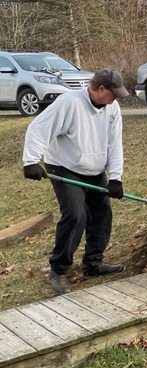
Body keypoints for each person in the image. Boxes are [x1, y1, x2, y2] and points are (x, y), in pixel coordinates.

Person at [22, 68, 129, 295]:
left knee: (101, 213)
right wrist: (31, 161)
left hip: (94, 169)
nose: (117, 98)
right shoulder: (69, 103)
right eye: (114, 93)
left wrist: (116, 177)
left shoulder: (112, 108)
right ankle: (58, 270)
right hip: (64, 167)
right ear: (101, 89)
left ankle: (93, 263)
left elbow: (114, 143)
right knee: (75, 214)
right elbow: (38, 129)